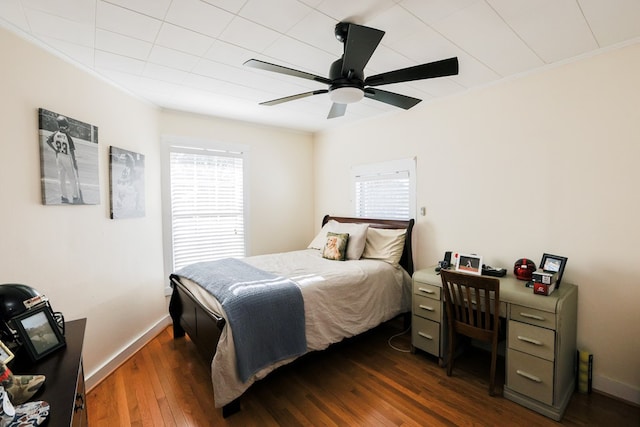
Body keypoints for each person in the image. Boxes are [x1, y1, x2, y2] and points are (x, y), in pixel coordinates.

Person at [45, 116, 82, 204]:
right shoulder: (67, 137)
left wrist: (55, 150)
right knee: (72, 178)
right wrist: (74, 162)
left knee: (61, 178)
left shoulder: (55, 133)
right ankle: (75, 196)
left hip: (59, 156)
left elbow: (48, 141)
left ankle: (64, 196)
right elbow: (72, 151)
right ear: (66, 126)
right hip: (66, 157)